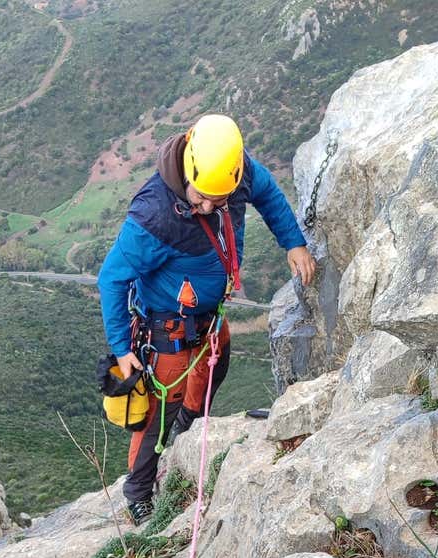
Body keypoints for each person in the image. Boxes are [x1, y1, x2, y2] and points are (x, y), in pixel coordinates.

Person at [97, 114, 315, 525]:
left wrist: (294, 243)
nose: (210, 207)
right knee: (160, 409)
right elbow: (112, 278)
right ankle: (138, 494)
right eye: (201, 198)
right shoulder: (154, 215)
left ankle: (187, 439)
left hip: (207, 318)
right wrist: (123, 349)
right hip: (167, 326)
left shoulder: (234, 172)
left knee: (215, 371)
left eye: (220, 199)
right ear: (188, 169)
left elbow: (268, 194)